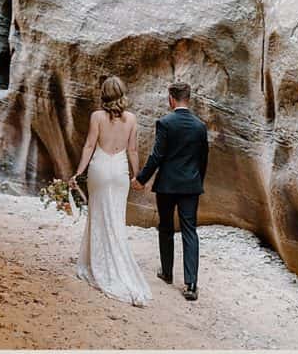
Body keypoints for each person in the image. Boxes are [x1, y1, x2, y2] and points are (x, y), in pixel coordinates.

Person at [70, 76, 151, 306]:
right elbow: (133, 150)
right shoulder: (132, 119)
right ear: (123, 93)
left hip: (100, 168)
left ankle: (96, 262)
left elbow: (89, 146)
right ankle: (118, 261)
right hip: (120, 171)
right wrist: (137, 176)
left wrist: (78, 172)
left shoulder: (97, 117)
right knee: (116, 217)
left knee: (98, 215)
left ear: (104, 94)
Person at [133, 81, 209, 301]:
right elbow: (203, 159)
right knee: (189, 230)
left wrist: (141, 179)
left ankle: (167, 272)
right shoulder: (199, 126)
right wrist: (197, 181)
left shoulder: (165, 123)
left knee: (166, 227)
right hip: (190, 186)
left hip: (167, 185)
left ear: (171, 99)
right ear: (189, 98)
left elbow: (157, 156)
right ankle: (191, 284)